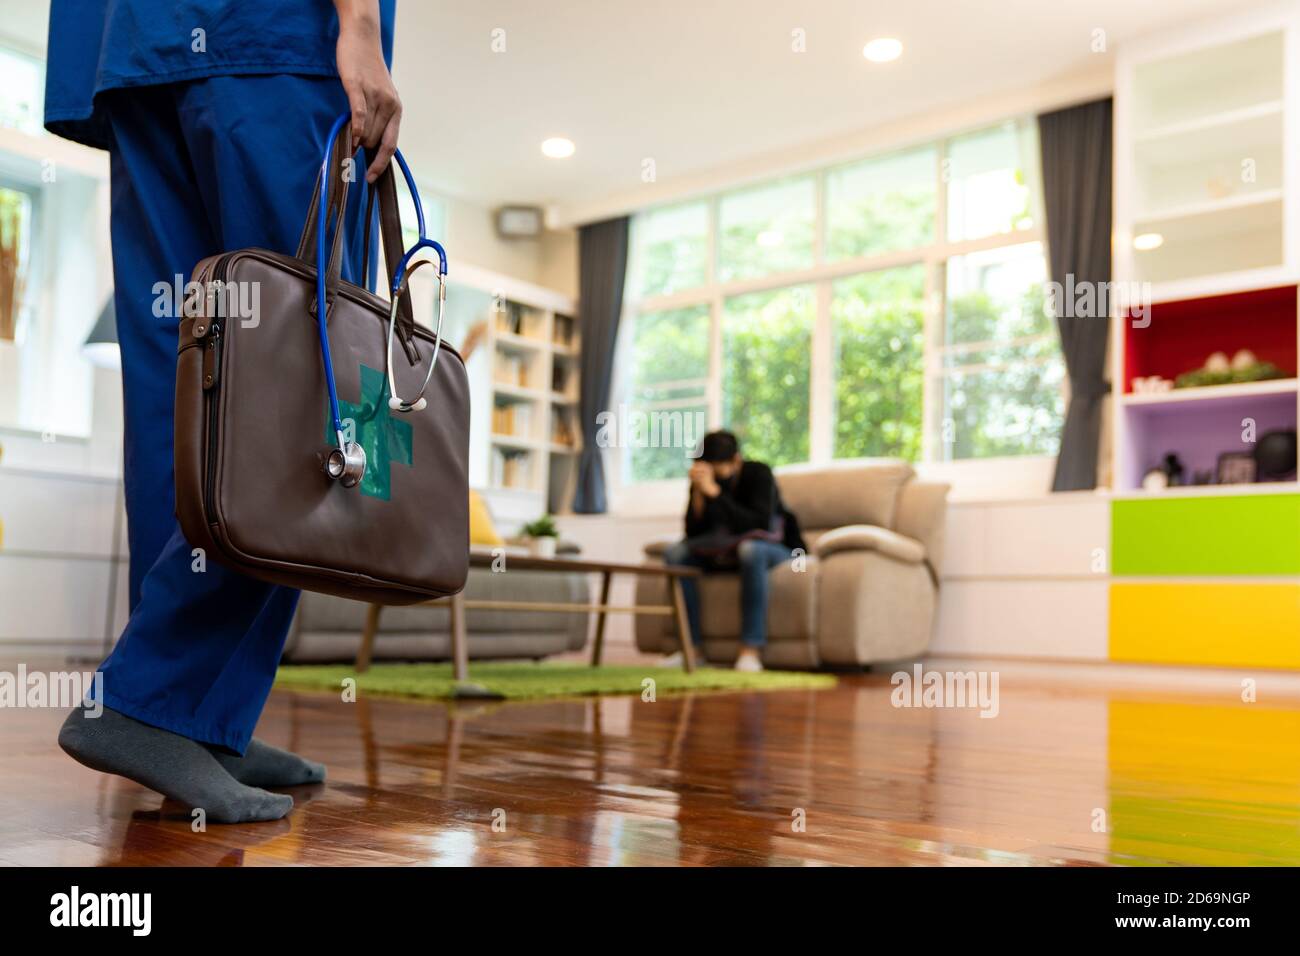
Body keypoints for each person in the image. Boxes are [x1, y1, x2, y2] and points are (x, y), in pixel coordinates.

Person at [45, 0, 402, 823]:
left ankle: (193, 719)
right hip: (270, 36)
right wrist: (361, 26)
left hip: (135, 48)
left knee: (189, 377)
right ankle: (150, 701)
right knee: (305, 365)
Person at [662, 431, 805, 672]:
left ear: (736, 460)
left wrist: (715, 494)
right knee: (675, 554)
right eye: (708, 468)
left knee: (750, 550)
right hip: (727, 550)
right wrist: (698, 495)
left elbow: (756, 524)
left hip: (777, 549)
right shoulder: (703, 482)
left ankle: (750, 650)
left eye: (719, 469)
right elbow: (693, 533)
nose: (715, 475)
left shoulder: (758, 473)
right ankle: (691, 649)